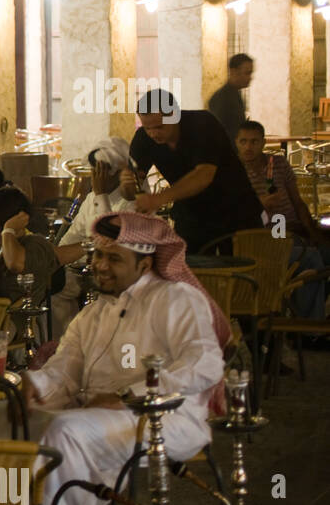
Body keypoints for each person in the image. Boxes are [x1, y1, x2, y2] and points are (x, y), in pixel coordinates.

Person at [0, 212, 226, 505]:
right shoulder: (96, 309)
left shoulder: (176, 299)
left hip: (164, 417)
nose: (100, 266)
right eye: (98, 256)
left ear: (145, 262)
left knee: (65, 432)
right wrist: (34, 385)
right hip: (93, 414)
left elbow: (205, 365)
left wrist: (129, 396)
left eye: (114, 259)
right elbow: (66, 366)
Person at [124, 90, 263, 253]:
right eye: (147, 128)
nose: (153, 133)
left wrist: (158, 199)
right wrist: (127, 184)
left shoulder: (202, 123)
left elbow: (204, 175)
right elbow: (131, 189)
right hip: (192, 216)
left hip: (236, 211)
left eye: (160, 127)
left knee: (243, 273)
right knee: (190, 273)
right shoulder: (144, 138)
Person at [236, 119, 327, 319]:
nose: (248, 147)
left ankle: (307, 314)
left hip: (290, 230)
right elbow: (235, 212)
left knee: (325, 252)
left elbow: (297, 201)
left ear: (263, 142)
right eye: (243, 141)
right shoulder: (234, 172)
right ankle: (308, 327)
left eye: (254, 141)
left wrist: (312, 231)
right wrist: (261, 203)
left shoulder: (277, 163)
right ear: (236, 143)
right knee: (310, 258)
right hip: (263, 238)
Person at [50, 139, 134, 336]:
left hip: (117, 272)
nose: (94, 176)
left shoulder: (131, 201)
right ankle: (62, 346)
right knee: (53, 288)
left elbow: (108, 238)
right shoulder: (91, 199)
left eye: (99, 171)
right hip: (82, 270)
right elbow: (70, 239)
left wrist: (100, 194)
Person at [0, 184, 58, 310]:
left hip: (10, 321)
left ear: (6, 215)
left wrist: (8, 229)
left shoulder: (35, 243)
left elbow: (15, 264)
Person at [207, 53, 254, 142]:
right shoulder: (222, 98)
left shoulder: (235, 94)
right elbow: (217, 133)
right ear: (234, 72)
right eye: (247, 73)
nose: (250, 77)